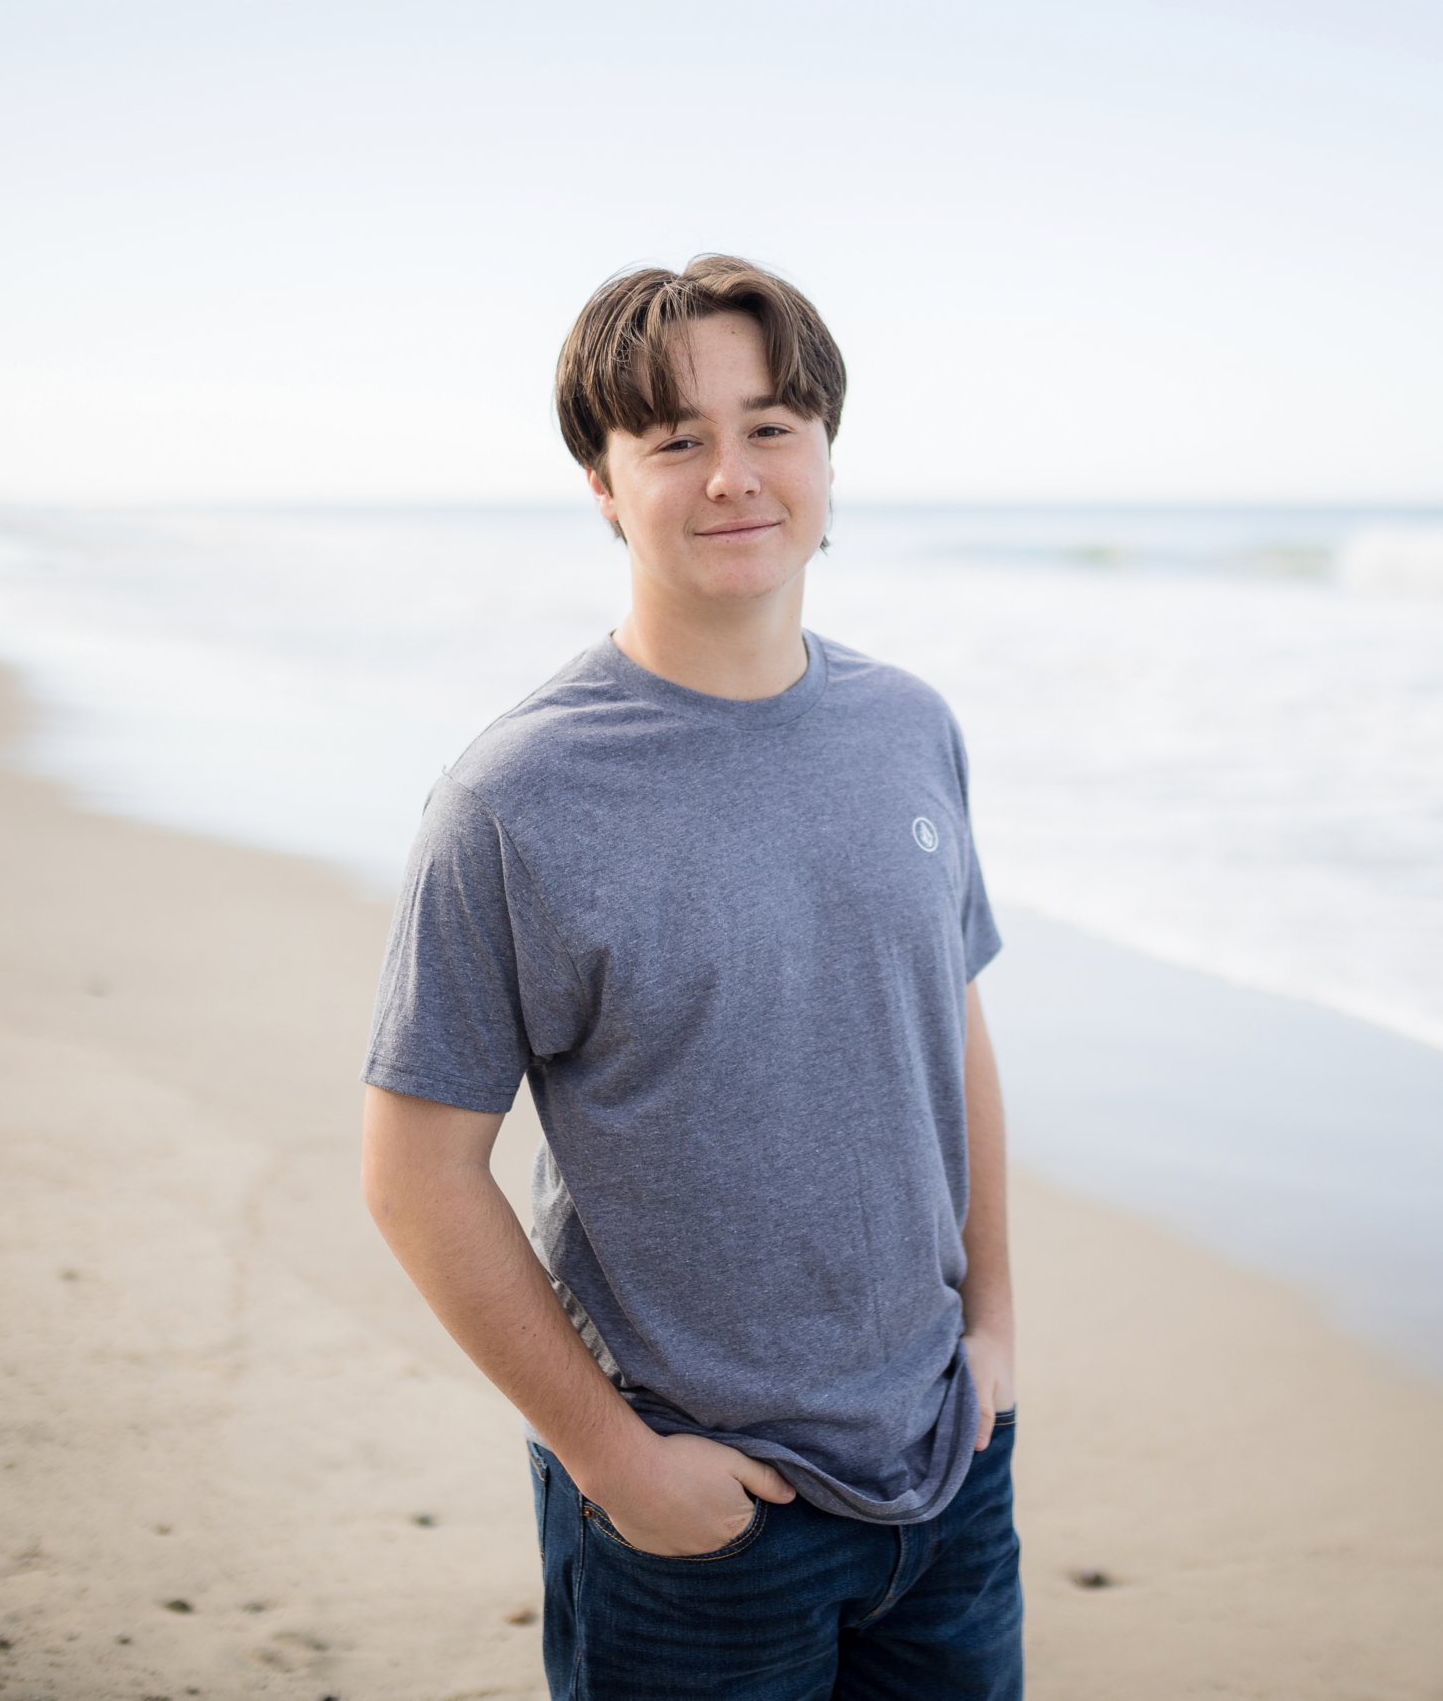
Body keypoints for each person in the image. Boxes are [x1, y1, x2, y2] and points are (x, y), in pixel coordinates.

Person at [359, 254, 1020, 1700]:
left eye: (773, 427)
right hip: (697, 1517)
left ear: (828, 455)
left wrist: (997, 1333)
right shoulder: (515, 798)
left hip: (948, 1466)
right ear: (605, 485)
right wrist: (622, 1466)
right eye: (676, 441)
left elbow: (948, 1023)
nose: (735, 475)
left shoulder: (911, 728)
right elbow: (416, 1171)